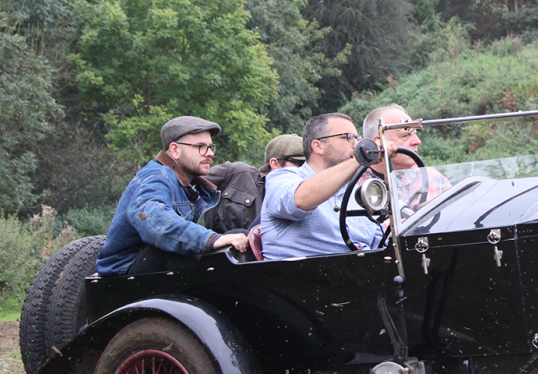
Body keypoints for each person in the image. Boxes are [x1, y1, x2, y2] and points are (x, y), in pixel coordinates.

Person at [96, 117, 252, 277]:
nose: (210, 154)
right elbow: (156, 222)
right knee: (182, 252)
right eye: (200, 147)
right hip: (123, 273)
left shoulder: (185, 183)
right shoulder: (157, 177)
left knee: (240, 236)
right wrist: (211, 240)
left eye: (210, 147)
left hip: (146, 265)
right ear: (175, 150)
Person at [259, 112, 381, 260]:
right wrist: (359, 159)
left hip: (363, 270)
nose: (356, 145)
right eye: (347, 137)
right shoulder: (280, 179)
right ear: (318, 146)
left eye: (357, 138)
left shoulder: (356, 193)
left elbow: (380, 243)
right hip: (301, 273)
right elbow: (300, 200)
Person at [204, 134, 305, 233]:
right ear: (275, 163)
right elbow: (195, 182)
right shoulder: (238, 173)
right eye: (300, 164)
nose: (304, 169)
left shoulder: (301, 200)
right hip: (214, 242)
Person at [361, 104, 451, 212]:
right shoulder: (355, 187)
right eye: (405, 135)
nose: (417, 141)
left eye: (414, 133)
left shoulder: (433, 178)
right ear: (379, 143)